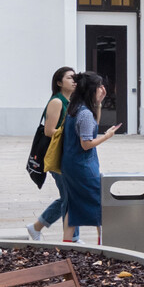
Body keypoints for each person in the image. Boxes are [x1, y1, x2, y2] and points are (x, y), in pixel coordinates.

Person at [60, 71, 122, 242]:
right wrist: (107, 136)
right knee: (100, 202)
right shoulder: (85, 113)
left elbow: (92, 124)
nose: (103, 89)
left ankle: (66, 243)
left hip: (70, 164)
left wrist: (99, 104)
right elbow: (86, 143)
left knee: (73, 206)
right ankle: (103, 243)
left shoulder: (75, 108)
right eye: (100, 87)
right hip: (83, 166)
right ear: (91, 90)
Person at [26, 66, 75, 241]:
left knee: (68, 196)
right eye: (70, 78)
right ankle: (73, 238)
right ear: (59, 82)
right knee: (70, 197)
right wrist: (72, 136)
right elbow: (49, 131)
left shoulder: (70, 101)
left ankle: (36, 227)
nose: (74, 80)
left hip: (66, 154)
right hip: (56, 155)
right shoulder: (57, 102)